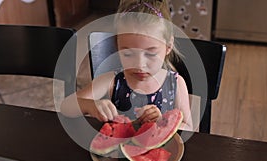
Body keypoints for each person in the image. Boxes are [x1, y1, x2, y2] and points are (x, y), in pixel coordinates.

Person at [61, 0, 193, 131]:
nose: (140, 65)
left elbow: (188, 127)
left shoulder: (175, 84)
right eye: (128, 54)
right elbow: (66, 107)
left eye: (150, 54)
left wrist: (161, 122)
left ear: (168, 46)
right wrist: (90, 105)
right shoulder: (112, 81)